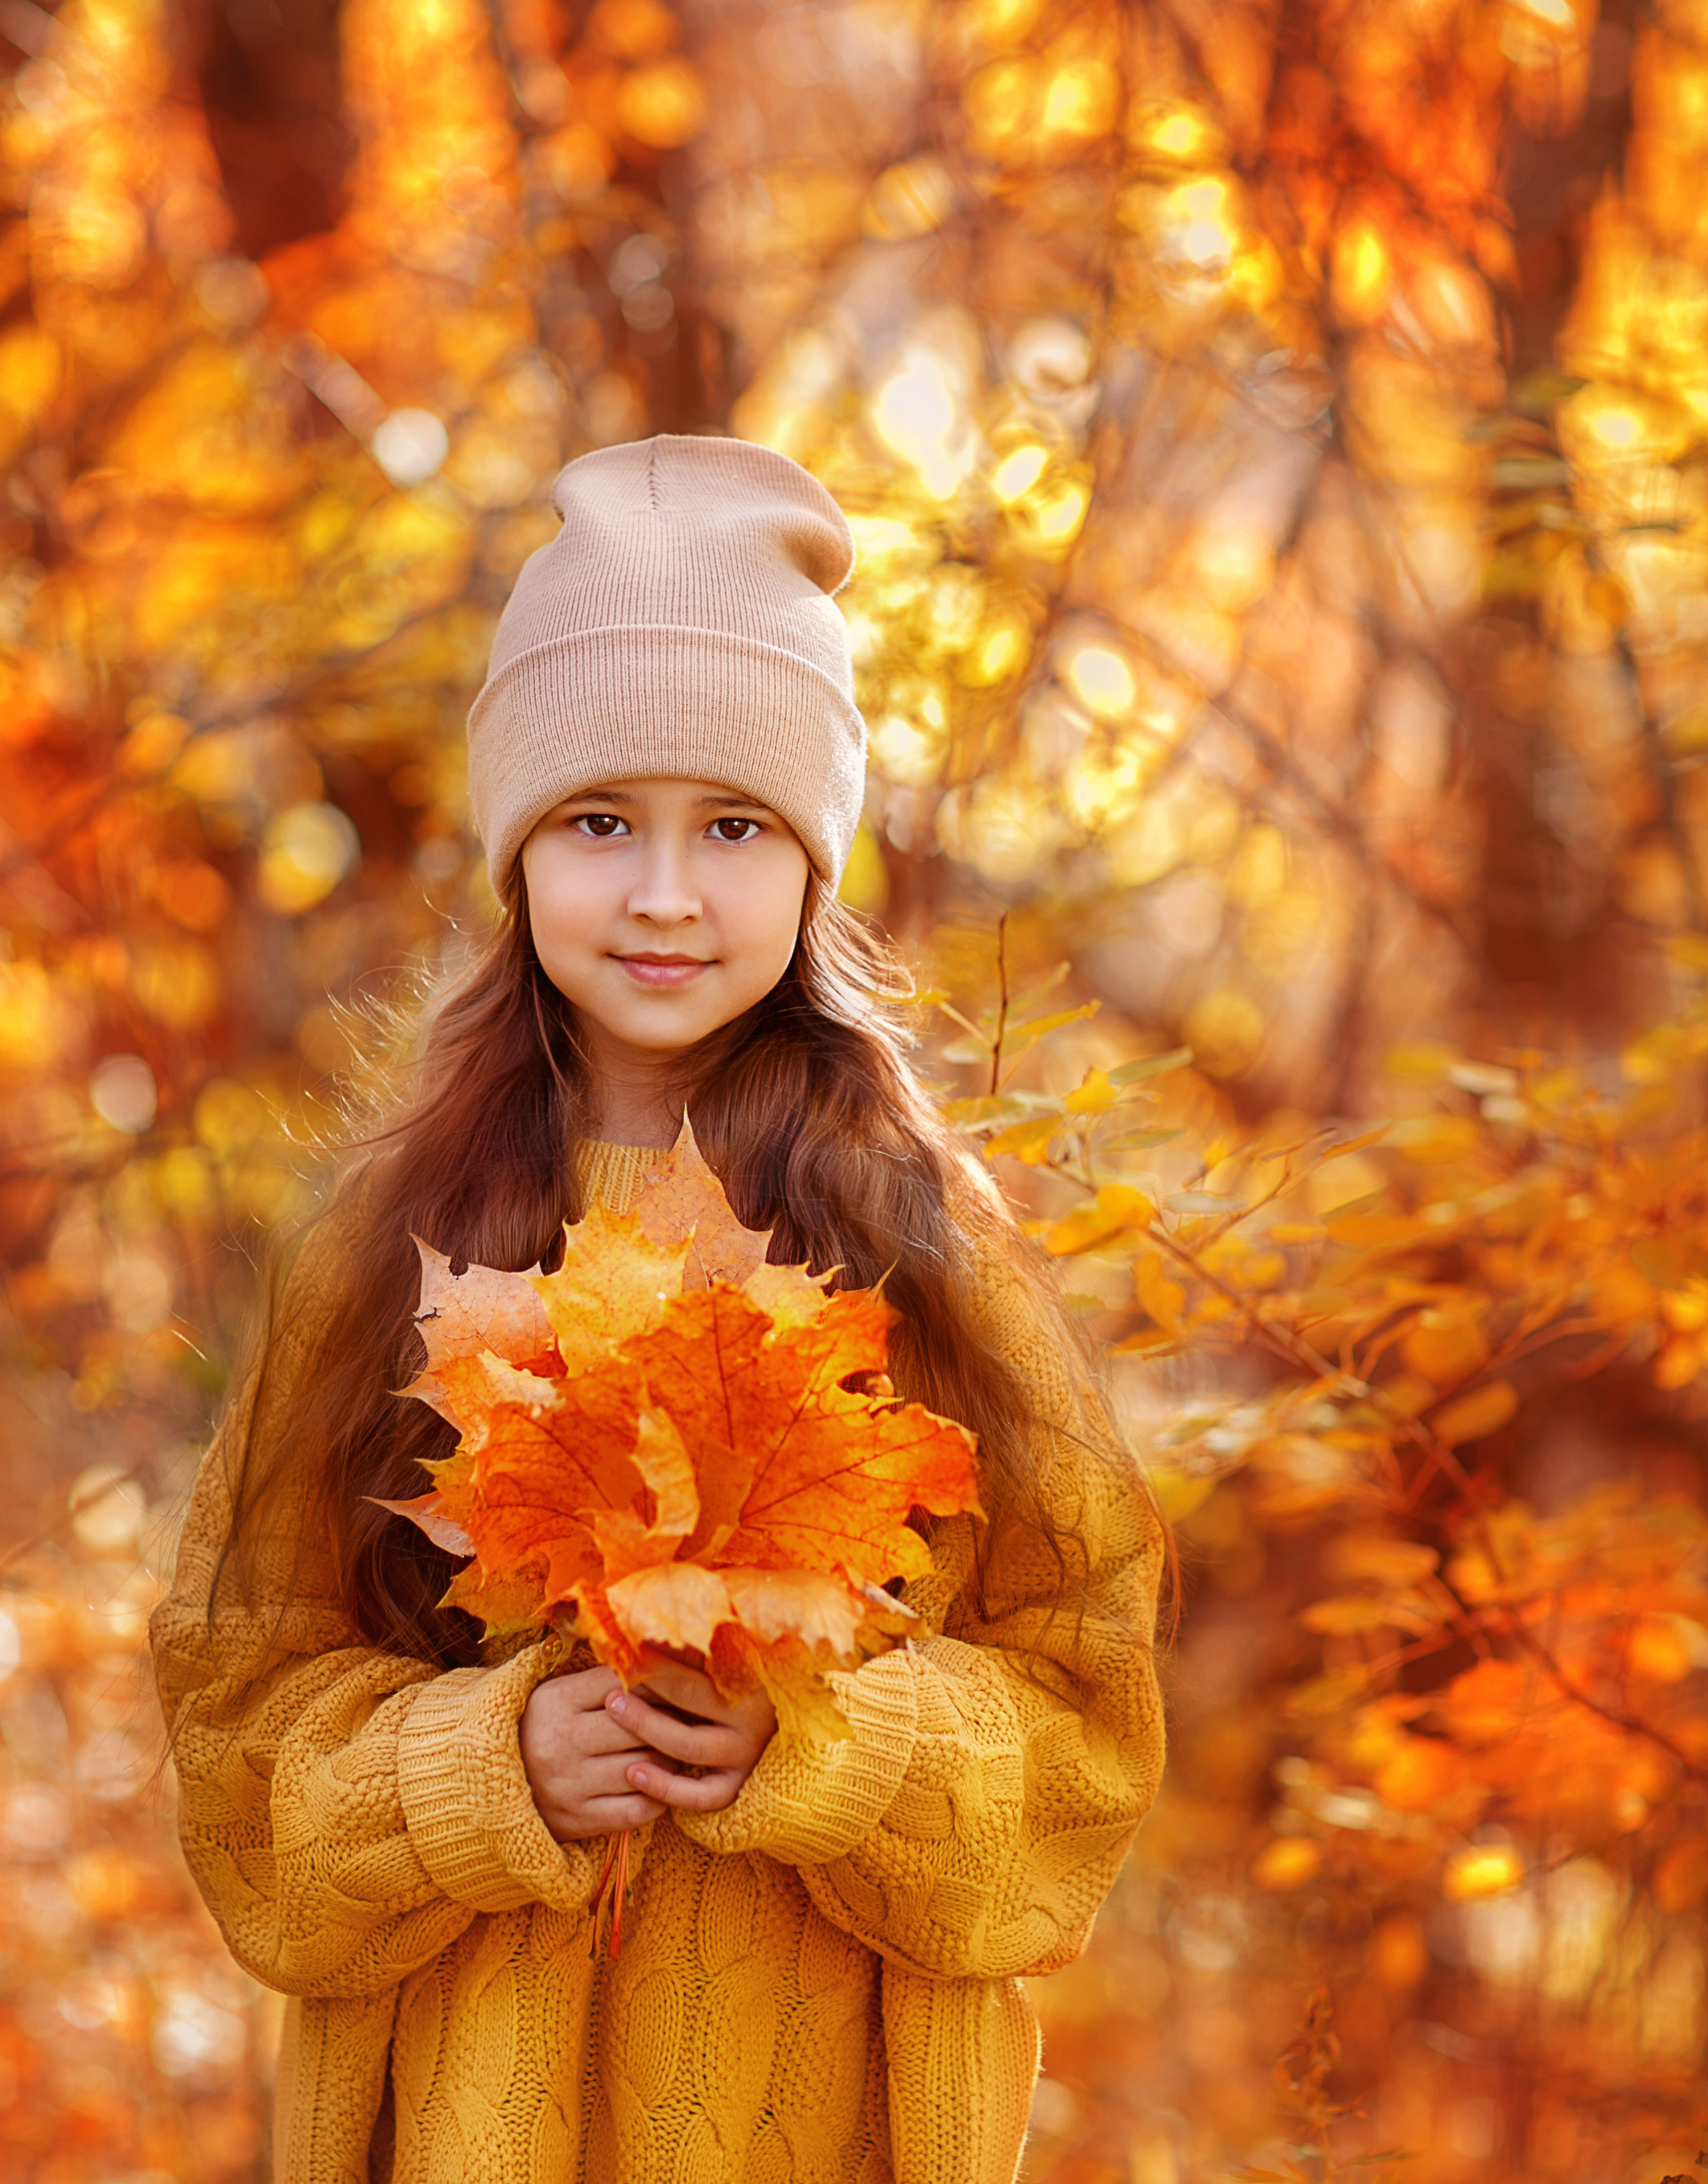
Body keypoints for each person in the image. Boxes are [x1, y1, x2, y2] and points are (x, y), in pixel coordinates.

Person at [149, 434, 1167, 2184]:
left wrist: (824, 1737)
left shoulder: (921, 1245)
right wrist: (486, 1765)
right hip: (469, 2120)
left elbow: (1082, 1733)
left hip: (821, 2119)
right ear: (517, 851)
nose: (668, 892)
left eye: (738, 825)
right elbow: (238, 1741)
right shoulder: (382, 1253)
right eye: (601, 821)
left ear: (814, 863)